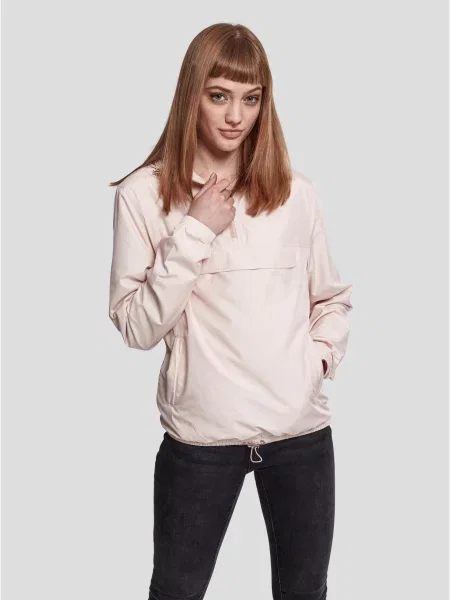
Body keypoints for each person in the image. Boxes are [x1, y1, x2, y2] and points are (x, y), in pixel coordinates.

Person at [108, 22, 353, 600]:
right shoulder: (143, 195)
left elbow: (331, 298)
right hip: (201, 440)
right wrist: (194, 230)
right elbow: (137, 327)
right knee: (176, 590)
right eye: (219, 95)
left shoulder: (296, 193)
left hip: (300, 435)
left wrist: (315, 363)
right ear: (192, 95)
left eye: (251, 98)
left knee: (305, 592)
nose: (235, 116)